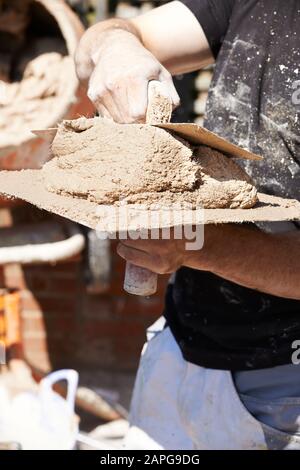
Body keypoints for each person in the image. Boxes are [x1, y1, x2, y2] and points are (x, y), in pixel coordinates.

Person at [75, 1, 300, 450]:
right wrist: (118, 45)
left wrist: (199, 247)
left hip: (282, 383)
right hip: (181, 344)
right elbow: (94, 47)